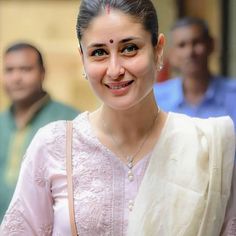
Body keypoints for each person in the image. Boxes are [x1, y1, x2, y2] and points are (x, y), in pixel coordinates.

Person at [1, 1, 235, 235]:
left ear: (158, 49)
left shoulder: (207, 147)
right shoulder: (54, 146)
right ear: (82, 58)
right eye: (99, 53)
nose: (115, 70)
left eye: (129, 48)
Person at [0, 42, 79, 221]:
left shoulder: (70, 121)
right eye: (9, 70)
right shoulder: (1, 122)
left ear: (43, 73)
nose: (16, 78)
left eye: (25, 69)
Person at [153, 17, 236, 126]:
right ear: (171, 53)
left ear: (211, 45)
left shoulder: (233, 94)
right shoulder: (156, 99)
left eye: (197, 42)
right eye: (182, 45)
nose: (190, 52)